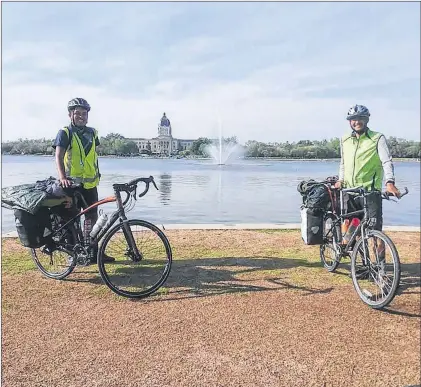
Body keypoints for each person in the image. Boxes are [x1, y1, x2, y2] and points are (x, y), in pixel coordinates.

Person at [52, 98, 114, 263]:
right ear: (70, 114)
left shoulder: (93, 132)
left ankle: (93, 252)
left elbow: (92, 156)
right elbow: (58, 156)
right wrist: (62, 177)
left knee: (92, 220)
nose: (81, 116)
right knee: (72, 220)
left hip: (90, 185)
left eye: (84, 113)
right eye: (77, 113)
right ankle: (73, 255)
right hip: (71, 185)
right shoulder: (65, 132)